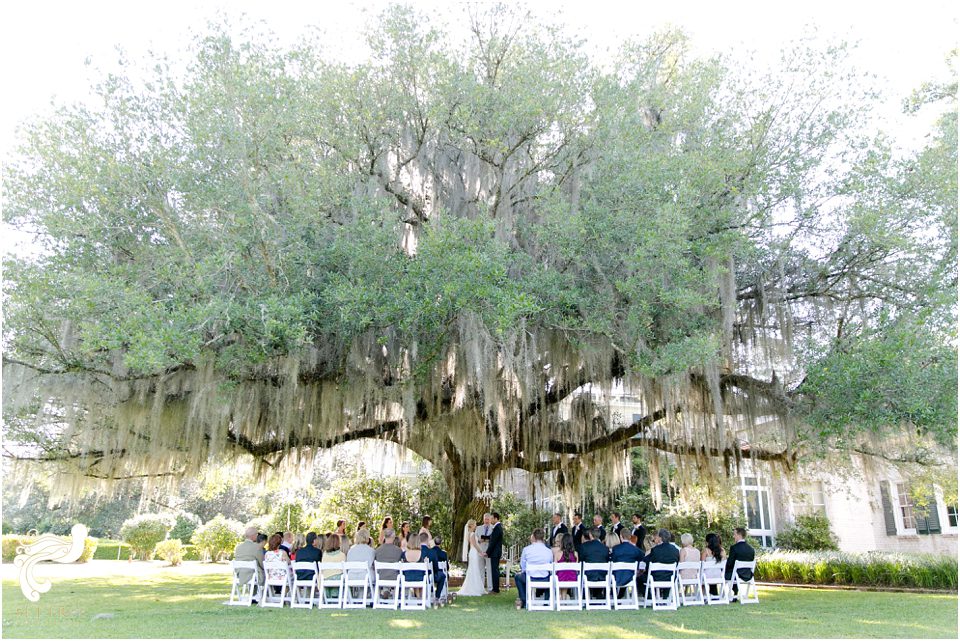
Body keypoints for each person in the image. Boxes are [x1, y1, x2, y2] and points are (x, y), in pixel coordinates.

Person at [513, 528, 553, 609]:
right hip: (545, 578)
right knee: (550, 576)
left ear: (534, 537)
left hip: (530, 578)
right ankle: (546, 601)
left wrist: (527, 572)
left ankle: (524, 600)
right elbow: (551, 565)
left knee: (518, 577)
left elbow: (522, 566)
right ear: (543, 538)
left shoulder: (527, 549)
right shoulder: (548, 551)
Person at [642, 528, 680, 598]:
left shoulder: (655, 550)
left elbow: (647, 562)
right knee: (667, 575)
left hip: (656, 578)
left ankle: (650, 598)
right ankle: (665, 597)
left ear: (660, 538)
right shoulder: (676, 550)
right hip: (671, 578)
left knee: (640, 578)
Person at [457, 519, 488, 596]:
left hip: (472, 552)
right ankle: (474, 588)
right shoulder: (472, 534)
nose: (476, 526)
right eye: (475, 524)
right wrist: (481, 552)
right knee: (474, 569)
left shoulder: (469, 533)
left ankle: (474, 586)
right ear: (471, 525)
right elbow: (475, 545)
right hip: (474, 553)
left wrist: (480, 541)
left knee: (473, 569)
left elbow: (475, 542)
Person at [725, 527, 755, 597]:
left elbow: (729, 563)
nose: (733, 536)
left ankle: (724, 594)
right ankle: (735, 593)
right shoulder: (751, 549)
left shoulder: (734, 548)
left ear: (739, 535)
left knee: (725, 573)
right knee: (733, 571)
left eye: (734, 534)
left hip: (736, 574)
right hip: (748, 574)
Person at [419, 532, 444, 600]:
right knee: (443, 575)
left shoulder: (416, 551)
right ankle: (437, 595)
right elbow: (435, 567)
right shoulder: (432, 552)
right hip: (430, 576)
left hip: (418, 576)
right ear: (427, 540)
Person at [553, 533, 578, 598]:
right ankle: (563, 598)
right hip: (572, 578)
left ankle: (560, 597)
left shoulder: (558, 553)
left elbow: (555, 568)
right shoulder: (575, 554)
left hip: (560, 578)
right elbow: (576, 568)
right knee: (567, 573)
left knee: (561, 574)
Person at [485, 512, 504, 593]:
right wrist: (485, 537)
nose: (491, 520)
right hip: (495, 552)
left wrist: (487, 552)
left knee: (494, 571)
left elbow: (493, 542)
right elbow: (492, 537)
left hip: (495, 553)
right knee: (494, 570)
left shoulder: (497, 528)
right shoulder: (497, 527)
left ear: (496, 519)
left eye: (492, 518)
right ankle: (495, 589)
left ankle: (495, 589)